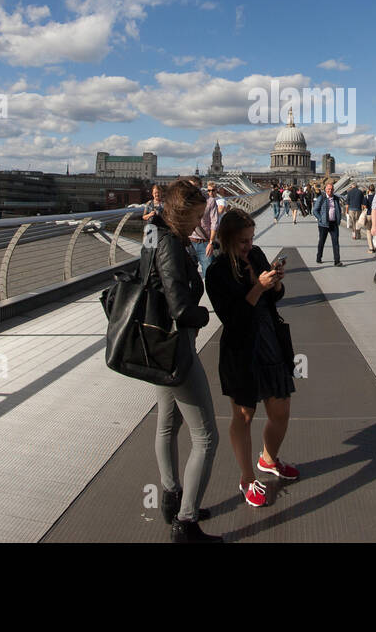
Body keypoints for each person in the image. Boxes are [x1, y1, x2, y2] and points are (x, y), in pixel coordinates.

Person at [205, 208, 298, 508]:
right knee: (244, 416)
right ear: (227, 239)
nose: (249, 245)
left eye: (251, 238)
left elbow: (274, 299)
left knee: (281, 411)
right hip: (241, 350)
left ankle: (269, 459)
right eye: (243, 241)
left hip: (271, 341)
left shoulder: (256, 255)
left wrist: (277, 283)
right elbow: (233, 319)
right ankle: (246, 479)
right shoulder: (216, 272)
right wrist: (258, 287)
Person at [147, 178, 222, 542]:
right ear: (181, 212)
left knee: (167, 424)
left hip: (157, 343)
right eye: (194, 216)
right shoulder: (172, 247)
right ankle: (186, 523)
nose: (198, 224)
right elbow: (180, 307)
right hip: (176, 347)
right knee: (206, 437)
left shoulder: (153, 232)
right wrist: (204, 315)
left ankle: (172, 497)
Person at [188, 182, 222, 276]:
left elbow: (215, 222)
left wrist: (211, 242)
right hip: (189, 242)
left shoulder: (210, 201)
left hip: (204, 243)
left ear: (200, 186)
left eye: (195, 187)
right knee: (188, 275)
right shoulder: (185, 201)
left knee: (209, 274)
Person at [313, 181, 345, 266]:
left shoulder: (336, 198)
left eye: (331, 189)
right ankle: (319, 257)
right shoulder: (321, 198)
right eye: (328, 189)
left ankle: (337, 261)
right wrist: (320, 219)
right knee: (322, 242)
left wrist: (338, 219)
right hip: (323, 224)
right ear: (325, 189)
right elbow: (315, 210)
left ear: (333, 190)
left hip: (333, 223)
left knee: (336, 243)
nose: (330, 191)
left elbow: (338, 208)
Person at [361, 185, 376, 252]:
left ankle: (371, 248)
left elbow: (364, 206)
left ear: (369, 190)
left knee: (368, 231)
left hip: (369, 215)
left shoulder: (366, 197)